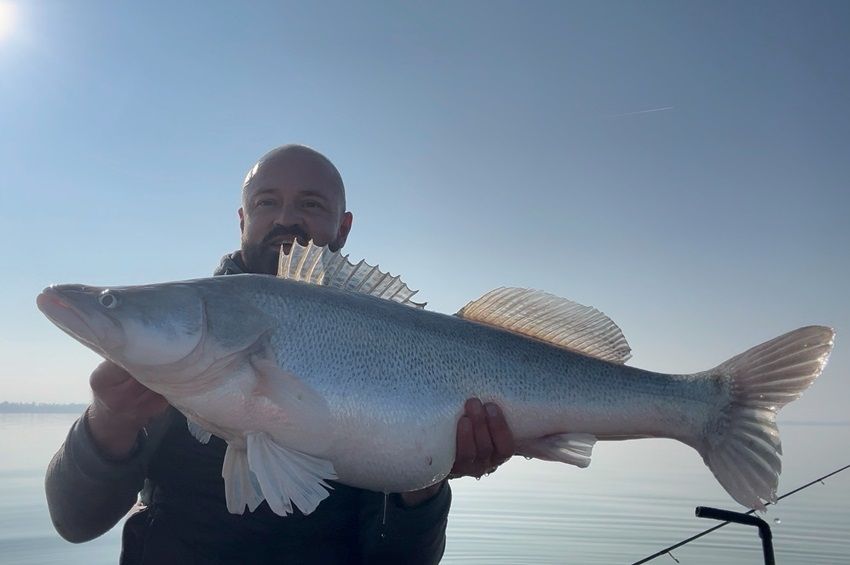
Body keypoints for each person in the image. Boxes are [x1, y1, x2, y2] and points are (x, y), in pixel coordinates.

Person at [45, 144, 516, 564]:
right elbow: (75, 522)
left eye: (310, 204)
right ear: (243, 218)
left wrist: (425, 482)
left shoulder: (388, 335)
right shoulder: (171, 345)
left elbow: (402, 560)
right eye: (266, 201)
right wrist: (108, 421)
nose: (285, 218)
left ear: (343, 226)